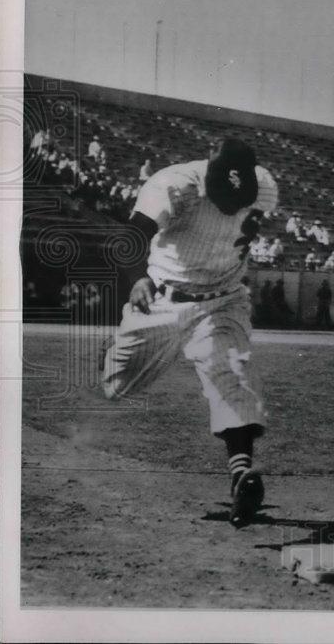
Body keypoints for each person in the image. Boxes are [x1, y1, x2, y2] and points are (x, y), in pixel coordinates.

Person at [99, 138, 278, 528]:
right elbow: (130, 237)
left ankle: (241, 476)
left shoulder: (265, 186)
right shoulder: (175, 184)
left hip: (224, 299)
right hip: (163, 298)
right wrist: (138, 278)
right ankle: (112, 348)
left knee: (232, 374)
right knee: (117, 385)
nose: (230, 206)